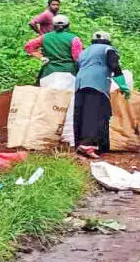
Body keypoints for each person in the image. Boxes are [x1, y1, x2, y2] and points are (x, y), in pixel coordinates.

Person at [73, 31, 130, 159]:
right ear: (108, 40)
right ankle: (88, 145)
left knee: (82, 114)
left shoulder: (84, 51)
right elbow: (115, 66)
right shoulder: (108, 49)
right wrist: (123, 86)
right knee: (95, 114)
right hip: (97, 84)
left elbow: (78, 67)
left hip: (80, 83)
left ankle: (94, 145)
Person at [24, 15, 83, 80]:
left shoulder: (44, 37)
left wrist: (41, 57)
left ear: (53, 25)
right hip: (69, 72)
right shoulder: (74, 38)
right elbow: (77, 58)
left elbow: (28, 46)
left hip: (49, 71)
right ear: (68, 25)